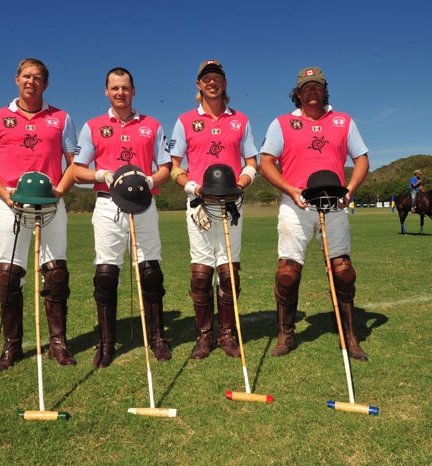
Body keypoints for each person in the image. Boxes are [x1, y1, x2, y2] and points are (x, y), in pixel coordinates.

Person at [259, 66, 370, 361]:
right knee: (287, 273)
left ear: (325, 90)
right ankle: (286, 334)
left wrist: (350, 189)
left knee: (343, 271)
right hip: (296, 204)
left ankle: (349, 336)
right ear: (297, 93)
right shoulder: (282, 123)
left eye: (317, 86)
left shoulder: (343, 121)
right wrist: (289, 188)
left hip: (334, 205)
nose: (312, 92)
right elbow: (266, 162)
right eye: (306, 87)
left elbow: (361, 159)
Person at [0, 58, 78, 372]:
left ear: (45, 84)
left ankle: (58, 344)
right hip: (12, 203)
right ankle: (12, 346)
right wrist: (4, 193)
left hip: (51, 204)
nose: (31, 81)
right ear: (17, 79)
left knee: (56, 273)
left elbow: (75, 163)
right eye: (26, 76)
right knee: (8, 276)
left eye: (37, 77)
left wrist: (59, 190)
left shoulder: (61, 118)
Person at [73, 67, 171, 368]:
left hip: (144, 204)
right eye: (115, 88)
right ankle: (106, 342)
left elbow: (165, 168)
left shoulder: (152, 125)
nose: (120, 93)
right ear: (106, 91)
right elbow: (77, 171)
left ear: (133, 91)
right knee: (106, 274)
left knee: (150, 271)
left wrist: (149, 181)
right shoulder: (93, 126)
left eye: (125, 88)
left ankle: (157, 337)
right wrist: (101, 174)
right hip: (107, 205)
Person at [169, 60, 259, 360]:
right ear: (198, 84)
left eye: (217, 78)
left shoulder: (240, 120)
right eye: (206, 78)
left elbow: (251, 162)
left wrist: (241, 184)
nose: (212, 82)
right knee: (201, 272)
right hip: (200, 205)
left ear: (224, 83)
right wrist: (192, 187)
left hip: (231, 204)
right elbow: (175, 166)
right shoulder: (185, 121)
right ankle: (204, 335)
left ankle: (227, 334)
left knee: (229, 271)